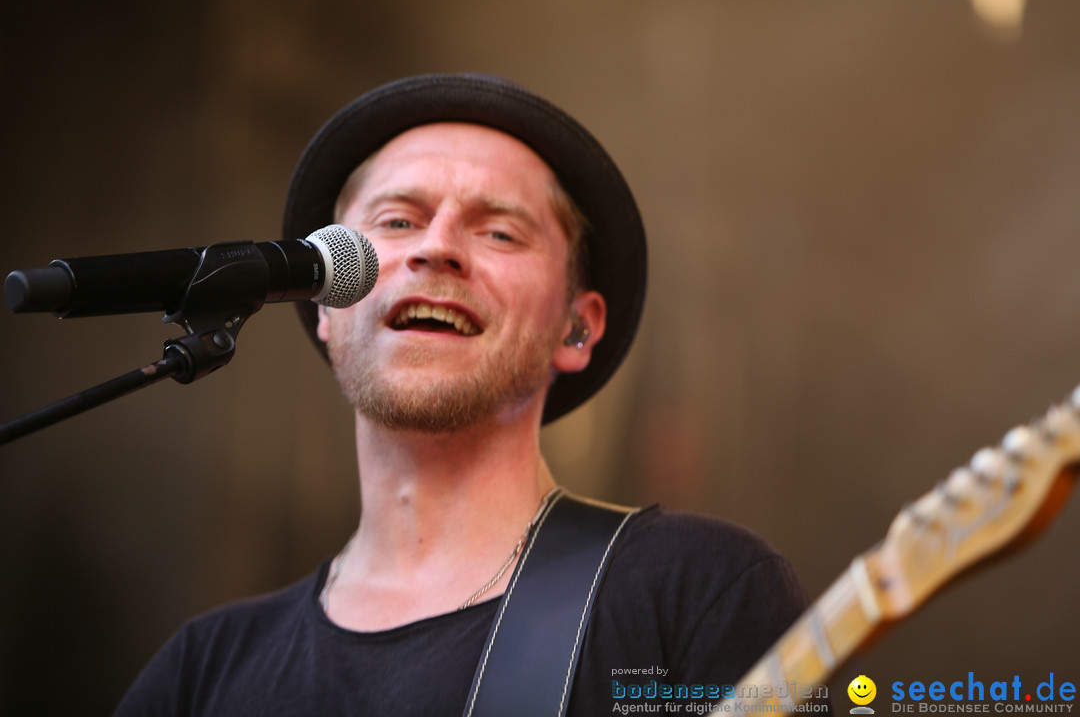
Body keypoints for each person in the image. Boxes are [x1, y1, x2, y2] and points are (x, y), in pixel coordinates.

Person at [114, 73, 822, 716]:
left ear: (576, 328)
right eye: (396, 221)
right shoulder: (203, 672)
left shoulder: (699, 590)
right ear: (325, 305)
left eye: (499, 231)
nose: (437, 246)